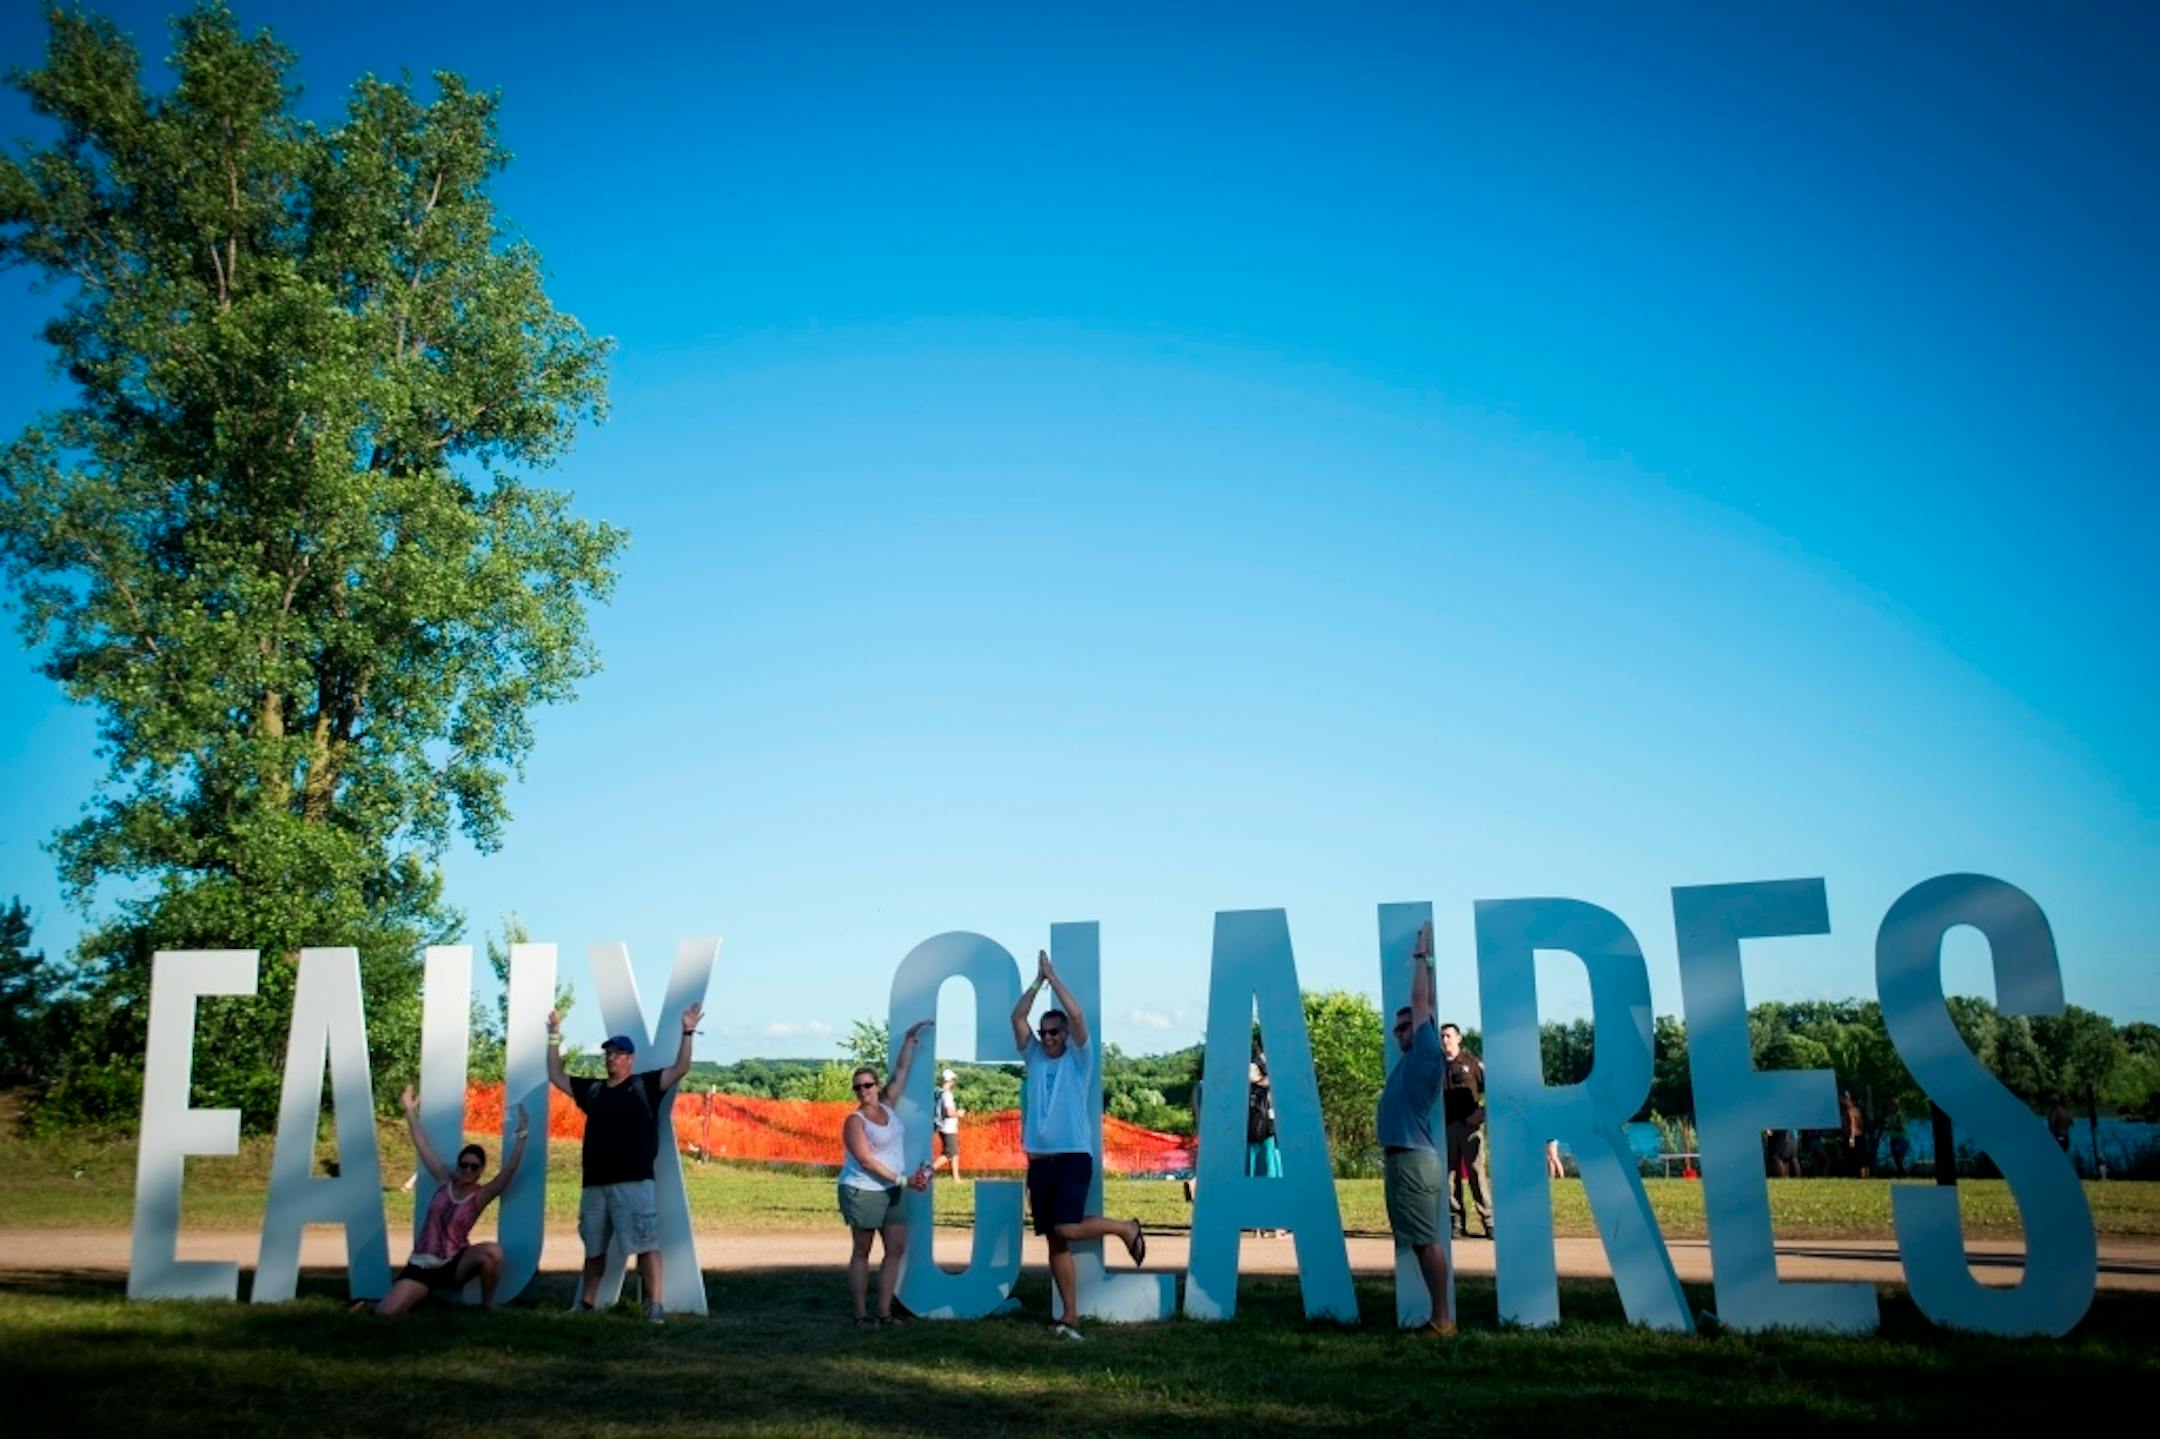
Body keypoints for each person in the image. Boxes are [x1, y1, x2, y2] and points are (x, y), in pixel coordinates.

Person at [1012, 948, 1145, 1341]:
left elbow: (1079, 1015)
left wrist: (1053, 978)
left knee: (1066, 1228)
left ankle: (1125, 1228)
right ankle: (1069, 1315)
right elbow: (1017, 1017)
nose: (1049, 1038)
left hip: (1072, 1157)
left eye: (1055, 1032)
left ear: (1065, 1035)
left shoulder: (1079, 1059)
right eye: (1045, 1032)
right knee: (1054, 1239)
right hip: (1039, 1161)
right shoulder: (1034, 1056)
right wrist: (1036, 982)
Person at [546, 1001, 702, 1323]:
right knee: (593, 1247)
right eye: (608, 1054)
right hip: (595, 1183)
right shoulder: (594, 1091)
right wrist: (553, 1036)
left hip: (634, 1180)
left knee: (646, 1244)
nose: (611, 1059)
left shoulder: (644, 1085)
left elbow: (681, 1068)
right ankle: (585, 1305)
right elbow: (555, 1074)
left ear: (631, 1059)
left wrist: (688, 1031)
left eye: (617, 1054)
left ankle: (655, 1305)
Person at [352, 1088, 530, 1316]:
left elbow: (510, 1170)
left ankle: (487, 1304)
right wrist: (409, 1110)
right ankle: (374, 1303)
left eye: (474, 1167)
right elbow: (422, 1145)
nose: (467, 1169)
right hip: (421, 1265)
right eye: (464, 1164)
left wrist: (522, 1134)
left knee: (493, 1252)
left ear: (480, 1171)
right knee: (386, 1314)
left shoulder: (480, 1195)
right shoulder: (444, 1179)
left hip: (454, 1263)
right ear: (458, 1164)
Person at [1377, 919, 1453, 1335]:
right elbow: (1425, 1000)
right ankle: (1438, 1317)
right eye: (1398, 1027)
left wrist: (1422, 955)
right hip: (1404, 1160)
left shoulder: (1426, 1052)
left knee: (1426, 1241)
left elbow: (1421, 997)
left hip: (1412, 1160)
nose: (1398, 1031)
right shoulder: (1413, 1061)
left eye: (1405, 1024)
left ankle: (1442, 1319)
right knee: (1420, 1240)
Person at [840, 1019, 934, 1327]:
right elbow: (866, 1160)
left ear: (876, 1086)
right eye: (858, 1087)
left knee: (895, 1249)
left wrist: (909, 1040)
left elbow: (901, 1073)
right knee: (862, 1250)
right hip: (864, 1189)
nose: (863, 1091)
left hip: (893, 1189)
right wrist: (903, 1180)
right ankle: (859, 1314)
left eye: (867, 1085)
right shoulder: (854, 1121)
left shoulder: (889, 1106)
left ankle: (884, 1312)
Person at [1440, 1021, 1493, 1239]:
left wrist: (1484, 1112)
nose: (1445, 1041)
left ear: (1459, 1038)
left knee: (1476, 1174)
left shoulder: (1472, 1064)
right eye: (1442, 1037)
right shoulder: (1436, 1066)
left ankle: (1489, 1222)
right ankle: (1456, 1222)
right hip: (1446, 1128)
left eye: (1449, 1036)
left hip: (1470, 1129)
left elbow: (1497, 1088)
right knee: (1449, 1177)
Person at [933, 1067, 966, 1182]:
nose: (954, 1082)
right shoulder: (947, 1095)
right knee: (948, 1154)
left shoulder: (938, 1092)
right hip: (948, 1128)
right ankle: (927, 1171)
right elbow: (949, 1112)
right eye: (953, 1080)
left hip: (943, 1126)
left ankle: (956, 1177)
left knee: (954, 1152)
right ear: (950, 1081)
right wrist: (959, 1113)